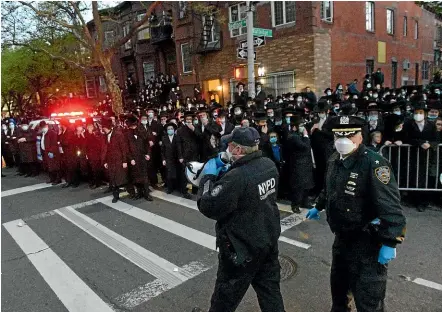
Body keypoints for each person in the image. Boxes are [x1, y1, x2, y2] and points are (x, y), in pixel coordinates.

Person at [306, 115, 406, 312]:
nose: (344, 140)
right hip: (342, 238)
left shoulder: (374, 163)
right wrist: (318, 205)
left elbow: (391, 207)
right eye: (339, 135)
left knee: (368, 299)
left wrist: (391, 241)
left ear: (361, 137)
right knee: (339, 292)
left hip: (367, 241)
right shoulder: (335, 158)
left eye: (351, 135)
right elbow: (330, 188)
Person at [193, 127, 285, 312]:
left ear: (238, 150)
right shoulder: (268, 164)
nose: (227, 148)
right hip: (267, 240)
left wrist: (209, 177)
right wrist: (230, 170)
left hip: (241, 248)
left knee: (225, 296)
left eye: (230, 146)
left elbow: (208, 205)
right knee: (270, 292)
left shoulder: (237, 177)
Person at [124, 115, 154, 201]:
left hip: (142, 158)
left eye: (135, 125)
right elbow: (127, 149)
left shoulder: (142, 133)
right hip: (134, 159)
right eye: (131, 126)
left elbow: (147, 145)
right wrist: (131, 159)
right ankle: (139, 193)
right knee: (136, 177)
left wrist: (148, 154)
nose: (133, 127)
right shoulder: (127, 135)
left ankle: (146, 194)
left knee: (144, 177)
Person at [101, 118, 129, 203]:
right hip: (110, 161)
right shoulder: (105, 136)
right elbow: (104, 150)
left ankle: (130, 191)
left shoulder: (118, 134)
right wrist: (105, 161)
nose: (103, 129)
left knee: (122, 178)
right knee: (112, 179)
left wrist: (124, 161)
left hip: (119, 160)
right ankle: (115, 196)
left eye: (103, 128)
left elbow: (124, 149)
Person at [85, 118, 105, 189]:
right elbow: (86, 144)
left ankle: (98, 182)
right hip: (91, 154)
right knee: (93, 169)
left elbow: (98, 143)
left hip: (96, 153)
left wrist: (92, 135)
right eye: (88, 127)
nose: (90, 128)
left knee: (97, 169)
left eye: (91, 127)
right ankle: (95, 182)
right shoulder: (87, 134)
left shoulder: (95, 133)